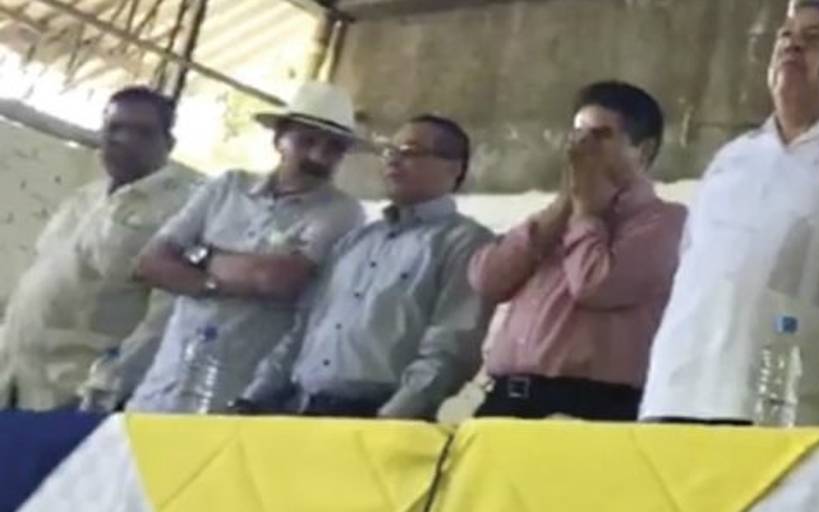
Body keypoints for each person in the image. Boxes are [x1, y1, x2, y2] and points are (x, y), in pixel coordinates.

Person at [639, 0, 819, 427]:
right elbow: (688, 271)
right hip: (680, 396)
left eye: (814, 39)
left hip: (809, 409)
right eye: (785, 38)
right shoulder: (731, 159)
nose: (793, 46)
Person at [232, 115, 494, 418]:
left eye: (410, 151)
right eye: (389, 151)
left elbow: (451, 348)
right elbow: (302, 330)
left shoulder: (465, 242)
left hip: (377, 415)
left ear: (453, 168)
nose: (393, 160)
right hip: (300, 408)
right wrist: (253, 399)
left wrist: (392, 420)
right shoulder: (355, 242)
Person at [125, 82, 366, 413]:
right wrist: (213, 283)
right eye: (307, 141)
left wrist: (199, 259)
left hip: (242, 397)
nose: (318, 156)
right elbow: (149, 263)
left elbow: (278, 280)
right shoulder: (228, 187)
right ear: (279, 138)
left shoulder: (342, 212)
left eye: (334, 148)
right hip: (164, 384)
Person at [469, 81, 686, 420]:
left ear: (642, 150)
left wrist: (587, 213)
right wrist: (563, 206)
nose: (581, 148)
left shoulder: (665, 222)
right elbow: (487, 281)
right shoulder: (555, 218)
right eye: (577, 135)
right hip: (507, 398)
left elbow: (597, 286)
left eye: (600, 136)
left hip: (590, 403)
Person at [0, 87, 200, 412]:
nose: (123, 139)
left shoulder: (184, 210)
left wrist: (108, 385)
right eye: (114, 128)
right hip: (15, 377)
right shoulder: (85, 197)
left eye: (142, 132)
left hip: (76, 393)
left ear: (168, 143)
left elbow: (165, 318)